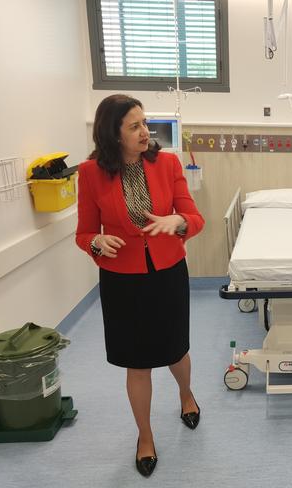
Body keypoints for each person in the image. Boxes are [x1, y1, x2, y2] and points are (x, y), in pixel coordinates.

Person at [76, 94, 205, 477]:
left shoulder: (167, 163)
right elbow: (84, 232)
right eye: (134, 126)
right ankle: (145, 436)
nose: (145, 132)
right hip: (121, 279)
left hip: (167, 271)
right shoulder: (90, 173)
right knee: (136, 362)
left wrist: (177, 222)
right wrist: (95, 243)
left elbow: (194, 217)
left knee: (174, 350)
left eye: (145, 123)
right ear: (112, 134)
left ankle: (186, 395)